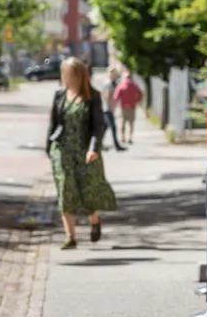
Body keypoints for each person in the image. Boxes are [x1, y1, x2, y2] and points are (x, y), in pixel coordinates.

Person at [47, 57, 118, 250]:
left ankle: (94, 219)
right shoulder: (59, 95)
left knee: (88, 190)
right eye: (65, 75)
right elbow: (53, 123)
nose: (68, 79)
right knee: (65, 189)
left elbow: (98, 126)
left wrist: (93, 149)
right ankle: (71, 236)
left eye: (71, 75)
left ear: (80, 75)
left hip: (85, 150)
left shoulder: (92, 96)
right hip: (62, 150)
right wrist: (49, 148)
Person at [92, 63, 127, 152]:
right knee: (112, 127)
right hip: (107, 108)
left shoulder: (108, 83)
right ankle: (116, 145)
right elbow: (107, 96)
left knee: (105, 127)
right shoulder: (108, 83)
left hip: (105, 107)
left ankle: (99, 144)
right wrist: (112, 107)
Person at [113, 69, 144, 145]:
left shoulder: (121, 85)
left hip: (123, 107)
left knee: (123, 123)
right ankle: (130, 137)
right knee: (131, 123)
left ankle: (123, 137)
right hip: (132, 107)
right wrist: (137, 101)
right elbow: (140, 94)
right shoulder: (134, 85)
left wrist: (115, 105)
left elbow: (116, 96)